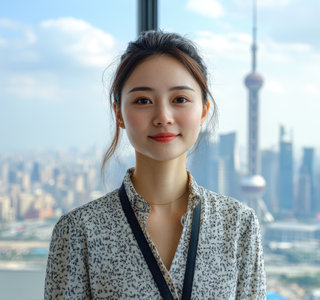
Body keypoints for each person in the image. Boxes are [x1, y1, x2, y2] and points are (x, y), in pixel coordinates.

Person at [45, 30, 266, 299]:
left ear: (204, 111)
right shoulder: (79, 230)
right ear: (119, 114)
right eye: (143, 101)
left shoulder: (239, 225)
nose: (163, 116)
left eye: (180, 99)